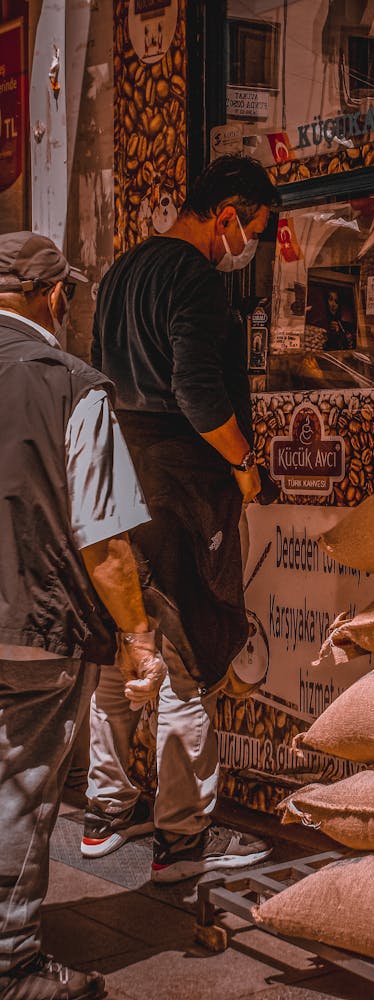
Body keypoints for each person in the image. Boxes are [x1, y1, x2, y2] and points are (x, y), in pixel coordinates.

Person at [87, 154, 279, 883]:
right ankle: (183, 838)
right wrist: (242, 463)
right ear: (227, 215)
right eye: (253, 230)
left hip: (125, 473)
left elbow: (106, 372)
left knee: (126, 647)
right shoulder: (196, 280)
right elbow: (199, 392)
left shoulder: (121, 272)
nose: (248, 246)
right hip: (183, 487)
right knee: (186, 659)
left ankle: (106, 813)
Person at [0, 231, 166, 999]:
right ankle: (12, 963)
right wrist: (139, 639)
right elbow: (103, 537)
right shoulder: (72, 384)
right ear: (55, 296)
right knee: (22, 788)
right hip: (31, 627)